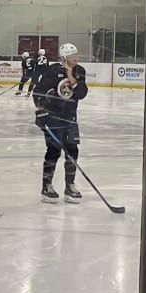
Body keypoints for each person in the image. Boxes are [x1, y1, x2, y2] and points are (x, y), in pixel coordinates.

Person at [31, 42, 88, 203]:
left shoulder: (79, 71)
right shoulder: (53, 71)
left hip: (70, 118)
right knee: (54, 151)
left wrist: (71, 76)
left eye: (76, 54)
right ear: (64, 57)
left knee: (73, 151)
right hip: (53, 118)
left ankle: (69, 186)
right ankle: (46, 186)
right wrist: (40, 111)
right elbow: (38, 91)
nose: (75, 58)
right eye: (71, 56)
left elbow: (82, 93)